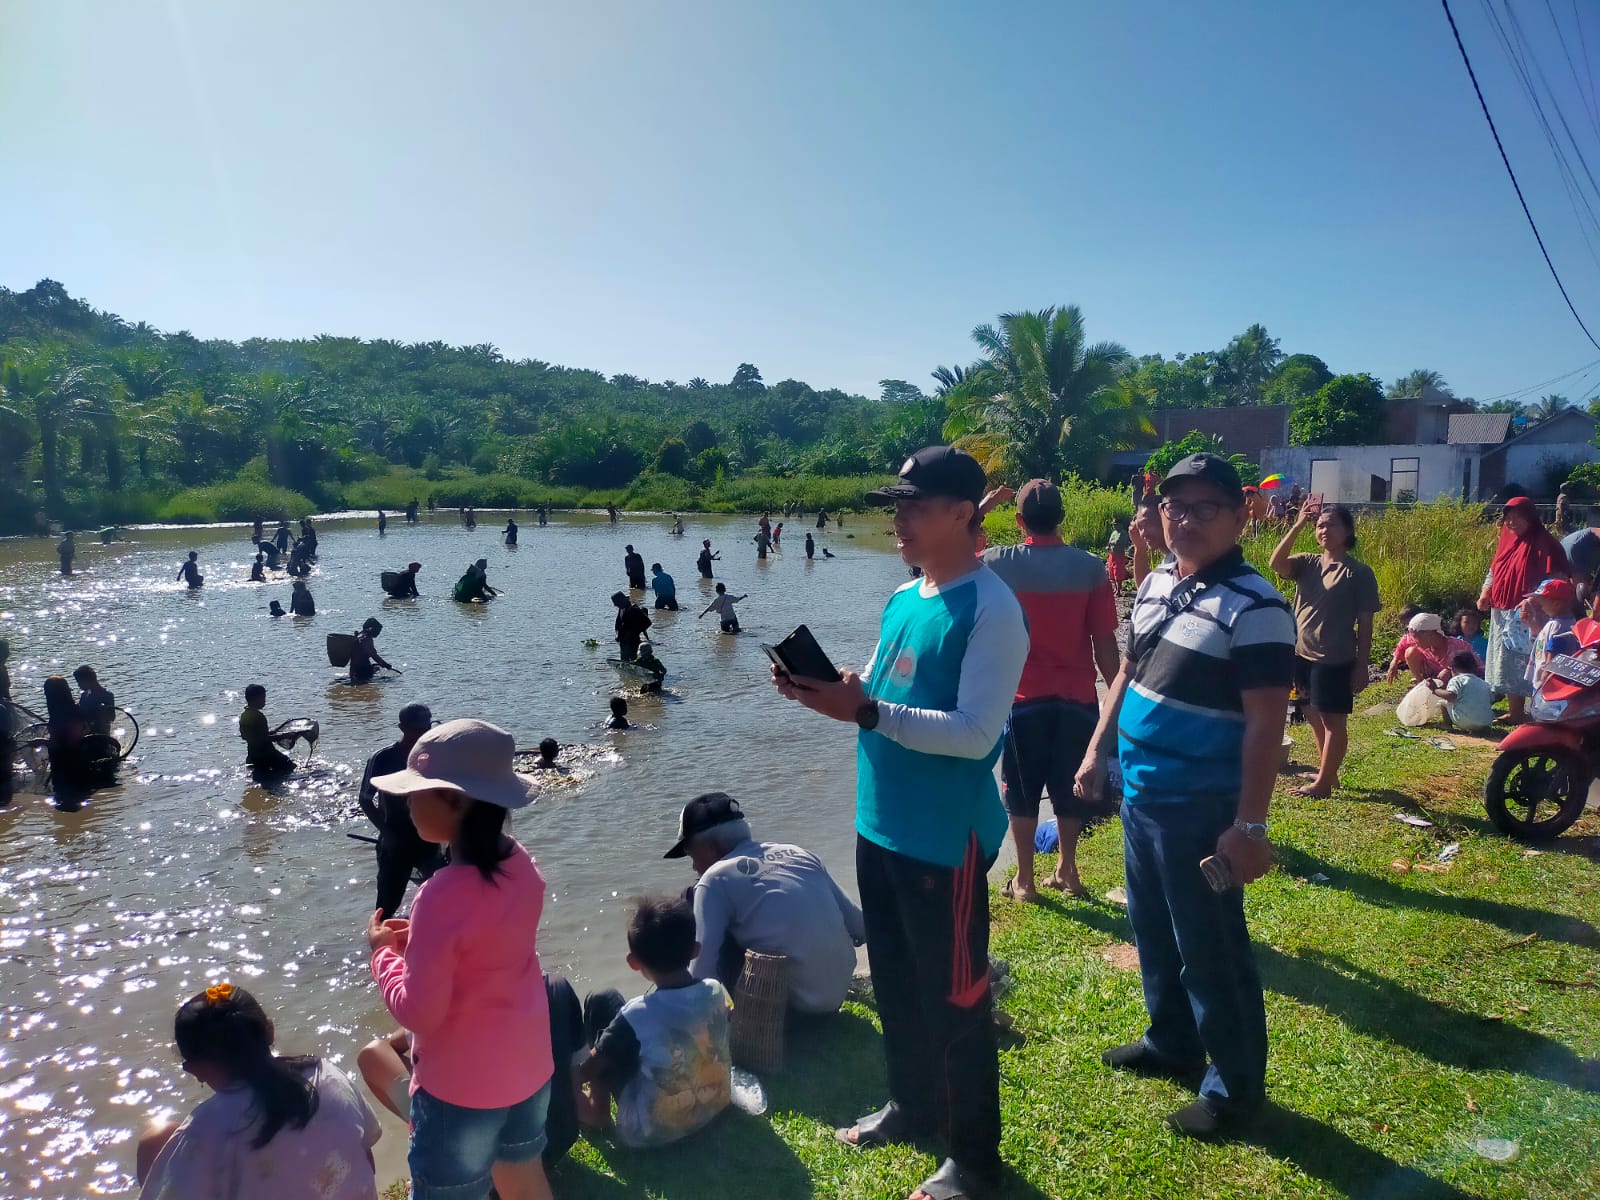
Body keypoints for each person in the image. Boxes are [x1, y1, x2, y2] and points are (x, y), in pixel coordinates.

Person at [773, 445, 1027, 1200]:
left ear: (963, 515)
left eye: (916, 506)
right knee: (894, 983)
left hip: (943, 839)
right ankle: (912, 1106)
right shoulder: (902, 598)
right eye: (897, 505)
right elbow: (880, 701)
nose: (900, 519)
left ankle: (975, 1159)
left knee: (957, 997)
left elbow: (977, 733)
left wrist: (871, 710)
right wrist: (828, 694)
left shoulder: (992, 608)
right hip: (877, 822)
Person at [1074, 452, 1293, 1140]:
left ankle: (1234, 1090)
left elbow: (1266, 725)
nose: (1186, 520)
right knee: (1154, 929)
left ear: (1240, 515)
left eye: (1205, 508)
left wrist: (1250, 827)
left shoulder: (1259, 605)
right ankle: (1171, 1039)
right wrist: (1095, 751)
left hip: (1202, 806)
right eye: (1175, 506)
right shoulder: (1156, 581)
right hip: (1141, 793)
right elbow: (1129, 672)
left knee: (1212, 947)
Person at [364, 719, 553, 1200]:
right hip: (529, 1065)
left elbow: (419, 1012)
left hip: (460, 1090)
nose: (406, 803)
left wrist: (384, 955)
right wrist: (423, 945)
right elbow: (488, 950)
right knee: (522, 1176)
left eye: (416, 793)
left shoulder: (439, 893)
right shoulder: (522, 864)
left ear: (456, 801)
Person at [980, 479, 1121, 901]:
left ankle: (1024, 879)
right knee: (1068, 786)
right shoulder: (1091, 568)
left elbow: (954, 549)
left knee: (1021, 791)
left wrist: (986, 505)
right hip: (1078, 698)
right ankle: (1067, 871)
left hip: (1023, 699)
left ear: (1021, 520)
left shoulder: (996, 563)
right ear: (1062, 518)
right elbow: (1105, 647)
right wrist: (1117, 701)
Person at [135, 983, 381, 1200]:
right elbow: (366, 1159)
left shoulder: (202, 1132)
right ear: (270, 1031)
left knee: (155, 1140)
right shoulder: (328, 1074)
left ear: (194, 1070)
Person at [358, 971, 588, 1170]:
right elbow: (575, 1074)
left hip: (484, 1168)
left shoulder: (455, 1004)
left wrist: (426, 1005)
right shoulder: (556, 985)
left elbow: (392, 1046)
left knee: (372, 1055)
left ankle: (428, 1144)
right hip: (558, 1140)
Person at [665, 792, 865, 1014]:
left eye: (692, 855)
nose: (693, 866)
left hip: (789, 1011)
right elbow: (858, 925)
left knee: (691, 896)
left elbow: (702, 972)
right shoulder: (798, 853)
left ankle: (752, 1016)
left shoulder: (715, 880)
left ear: (711, 848)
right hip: (838, 992)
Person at [575, 896, 733, 1148]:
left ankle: (597, 1111)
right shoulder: (715, 990)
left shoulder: (636, 1014)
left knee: (602, 1000)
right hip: (714, 1104)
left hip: (649, 1130)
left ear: (633, 962)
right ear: (695, 950)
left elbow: (586, 1071)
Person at [1268, 499, 1381, 798]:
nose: (1324, 529)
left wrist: (1362, 665)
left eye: (1331, 524)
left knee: (1333, 721)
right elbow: (1276, 563)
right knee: (1310, 710)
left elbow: (1365, 622)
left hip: (1334, 657)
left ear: (1347, 532)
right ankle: (1326, 772)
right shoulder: (1308, 562)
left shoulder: (1358, 573)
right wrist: (1298, 524)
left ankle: (1323, 784)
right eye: (1320, 525)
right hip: (1301, 653)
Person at [1478, 495, 1569, 724]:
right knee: (1506, 662)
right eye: (1508, 518)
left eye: (1517, 518)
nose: (1511, 523)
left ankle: (1539, 711)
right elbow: (1495, 570)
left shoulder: (1545, 543)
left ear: (1530, 517)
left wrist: (1532, 601)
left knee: (1531, 661)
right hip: (1503, 611)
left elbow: (1555, 580)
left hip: (1530, 613)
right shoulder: (1507, 541)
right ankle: (1516, 712)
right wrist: (1485, 593)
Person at [358, 703, 444, 919]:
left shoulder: (433, 758)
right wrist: (388, 833)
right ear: (402, 728)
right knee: (386, 907)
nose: (424, 734)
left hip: (429, 840)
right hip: (394, 844)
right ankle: (380, 945)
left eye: (427, 728)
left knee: (441, 901)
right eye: (418, 729)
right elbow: (365, 800)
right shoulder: (382, 758)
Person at [1523, 576, 1582, 690]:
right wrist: (1531, 623)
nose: (1540, 607)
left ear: (1556, 604)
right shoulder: (1564, 621)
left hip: (1548, 681)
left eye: (1542, 603)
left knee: (1544, 707)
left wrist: (1547, 674)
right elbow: (1545, 637)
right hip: (1557, 680)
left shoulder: (1557, 626)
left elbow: (1555, 650)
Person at [1392, 612, 1478, 684]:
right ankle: (1421, 683)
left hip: (1458, 682)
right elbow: (1403, 644)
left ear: (1428, 635)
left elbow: (1477, 669)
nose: (1413, 641)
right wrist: (1394, 662)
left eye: (1415, 637)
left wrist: (1450, 670)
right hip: (1433, 677)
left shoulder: (1460, 646)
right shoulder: (1423, 645)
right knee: (1410, 652)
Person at [1427, 650, 1496, 732]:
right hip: (1485, 722)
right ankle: (1480, 726)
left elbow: (1451, 696)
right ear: (1475, 668)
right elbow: (1491, 699)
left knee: (1442, 703)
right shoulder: (1483, 683)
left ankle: (1447, 725)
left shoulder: (1457, 680)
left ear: (1452, 669)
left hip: (1463, 721)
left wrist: (1435, 689)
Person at [238, 684, 297, 775]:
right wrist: (284, 736)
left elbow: (250, 736)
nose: (265, 701)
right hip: (267, 754)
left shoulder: (244, 715)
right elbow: (263, 739)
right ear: (255, 699)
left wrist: (269, 733)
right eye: (263, 698)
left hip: (252, 754)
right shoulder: (259, 716)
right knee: (290, 768)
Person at [1129, 490, 1169, 587]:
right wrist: (1140, 548)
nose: (1143, 533)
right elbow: (1146, 590)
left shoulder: (1184, 558)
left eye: (1147, 524)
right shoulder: (1169, 559)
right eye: (1140, 527)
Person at [349, 618, 396, 685]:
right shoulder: (366, 639)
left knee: (376, 668)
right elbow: (374, 656)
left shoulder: (359, 636)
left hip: (354, 669)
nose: (378, 633)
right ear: (371, 629)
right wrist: (385, 665)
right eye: (378, 631)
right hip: (362, 669)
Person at [73, 665, 116, 737]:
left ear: (88, 680)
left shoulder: (107, 695)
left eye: (79, 682)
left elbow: (112, 717)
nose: (78, 685)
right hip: (86, 735)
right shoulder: (84, 695)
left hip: (102, 735)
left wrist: (102, 711)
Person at [612, 591, 652, 661]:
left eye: (617, 603)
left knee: (633, 661)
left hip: (633, 642)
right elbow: (618, 623)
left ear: (622, 600)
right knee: (624, 661)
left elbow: (647, 622)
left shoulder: (634, 609)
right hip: (623, 641)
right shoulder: (621, 608)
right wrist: (617, 633)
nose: (615, 605)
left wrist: (634, 633)